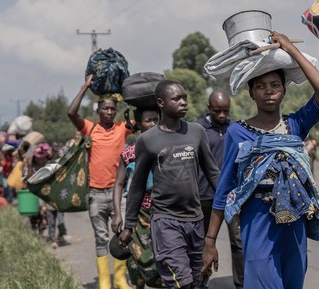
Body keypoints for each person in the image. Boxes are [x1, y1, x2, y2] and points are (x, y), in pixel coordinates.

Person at [201, 31, 319, 289]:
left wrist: (290, 49)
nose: (268, 92)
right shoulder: (237, 132)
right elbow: (225, 187)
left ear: (284, 90)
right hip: (257, 219)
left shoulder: (295, 125)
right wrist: (210, 241)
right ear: (251, 93)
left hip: (294, 218)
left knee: (294, 283)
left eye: (275, 85)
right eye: (260, 86)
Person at [120, 80, 220, 289]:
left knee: (198, 281)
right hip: (166, 221)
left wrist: (231, 202)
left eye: (185, 98)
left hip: (196, 220)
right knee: (180, 283)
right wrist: (129, 225)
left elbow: (212, 172)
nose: (184, 102)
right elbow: (137, 184)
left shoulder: (196, 132)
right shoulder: (148, 140)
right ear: (161, 103)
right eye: (177, 98)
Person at [68, 75, 133, 289]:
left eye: (113, 109)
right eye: (105, 109)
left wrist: (128, 90)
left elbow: (142, 118)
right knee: (101, 237)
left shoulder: (122, 128)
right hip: (95, 193)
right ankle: (105, 281)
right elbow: (71, 112)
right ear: (98, 111)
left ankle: (121, 280)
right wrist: (85, 86)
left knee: (122, 235)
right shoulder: (90, 129)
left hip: (118, 195)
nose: (109, 112)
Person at [195, 90, 244, 289]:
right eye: (217, 111)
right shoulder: (198, 129)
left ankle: (241, 284)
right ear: (209, 108)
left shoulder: (235, 128)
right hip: (205, 196)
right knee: (204, 242)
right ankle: (201, 281)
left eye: (225, 111)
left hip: (232, 197)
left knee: (238, 242)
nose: (222, 115)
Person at [111, 106, 161, 289]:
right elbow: (118, 184)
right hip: (138, 215)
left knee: (163, 260)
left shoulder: (167, 147)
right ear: (139, 125)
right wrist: (117, 213)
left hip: (163, 213)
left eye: (157, 119)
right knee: (135, 261)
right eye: (149, 121)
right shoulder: (129, 153)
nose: (154, 124)